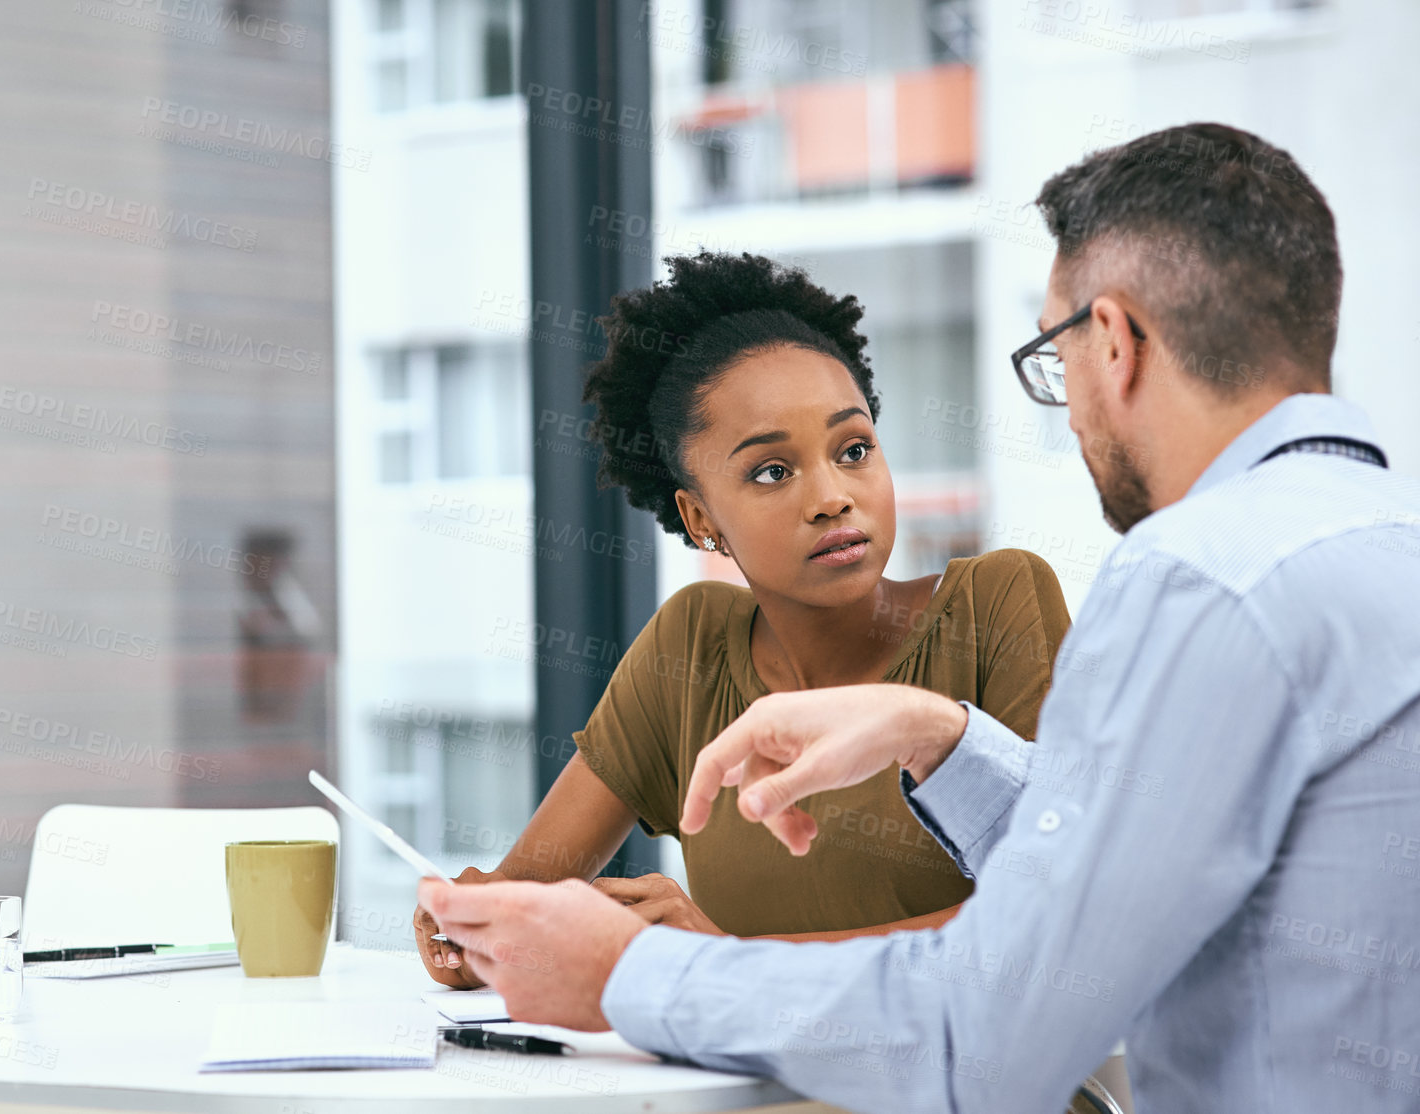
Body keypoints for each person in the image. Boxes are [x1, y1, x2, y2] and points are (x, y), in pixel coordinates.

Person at [418, 122, 1420, 1113]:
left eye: (1054, 355)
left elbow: (985, 1040)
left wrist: (634, 975)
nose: (1065, 409)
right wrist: (945, 739)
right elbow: (1141, 859)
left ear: (1110, 342)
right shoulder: (1376, 551)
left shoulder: (1200, 581)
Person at [416, 251, 1071, 988]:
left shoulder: (997, 605)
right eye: (772, 471)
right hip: (752, 1100)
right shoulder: (690, 647)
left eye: (853, 450)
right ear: (701, 520)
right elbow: (524, 900)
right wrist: (470, 930)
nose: (831, 496)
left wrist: (722, 963)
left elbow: (1045, 931)